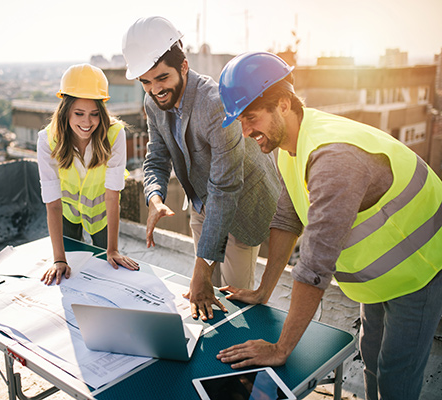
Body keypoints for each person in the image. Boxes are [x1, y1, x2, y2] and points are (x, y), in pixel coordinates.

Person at [216, 51, 442, 400]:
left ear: (284, 104)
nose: (246, 132)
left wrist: (281, 349)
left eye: (251, 118)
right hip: (380, 277)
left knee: (396, 375)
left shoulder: (334, 158)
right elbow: (287, 219)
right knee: (371, 357)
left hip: (420, 267)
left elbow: (315, 264)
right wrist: (264, 290)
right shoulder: (289, 145)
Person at [121, 17, 280, 320]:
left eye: (161, 78)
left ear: (183, 66)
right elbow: (156, 154)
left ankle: (239, 362)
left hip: (242, 202)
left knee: (236, 299)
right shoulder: (152, 101)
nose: (155, 90)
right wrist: (154, 197)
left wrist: (200, 268)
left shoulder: (214, 102)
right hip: (201, 200)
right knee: (207, 292)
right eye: (146, 81)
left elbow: (225, 189)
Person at [37, 63, 139, 285]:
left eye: (94, 114)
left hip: (101, 214)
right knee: (69, 273)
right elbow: (52, 203)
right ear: (65, 110)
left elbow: (113, 195)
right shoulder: (47, 139)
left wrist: (112, 249)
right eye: (79, 113)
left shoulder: (114, 134)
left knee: (105, 269)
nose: (87, 122)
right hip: (66, 211)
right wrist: (58, 259)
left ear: (102, 111)